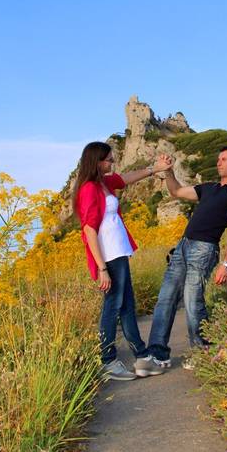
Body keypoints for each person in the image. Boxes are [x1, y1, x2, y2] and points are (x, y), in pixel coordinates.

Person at [73, 142, 171, 381]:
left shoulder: (104, 182)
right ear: (96, 162)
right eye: (108, 160)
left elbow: (126, 178)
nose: (112, 163)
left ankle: (142, 357)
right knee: (113, 306)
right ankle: (108, 360)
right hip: (108, 257)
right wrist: (102, 268)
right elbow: (89, 230)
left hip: (119, 252)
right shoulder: (88, 189)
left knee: (127, 306)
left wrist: (154, 169)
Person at [148, 146, 227, 369]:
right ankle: (157, 354)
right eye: (218, 159)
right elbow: (176, 192)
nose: (219, 163)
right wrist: (169, 172)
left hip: (204, 250)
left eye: (224, 159)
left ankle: (202, 352)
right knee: (166, 298)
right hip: (182, 246)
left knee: (193, 301)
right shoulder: (208, 188)